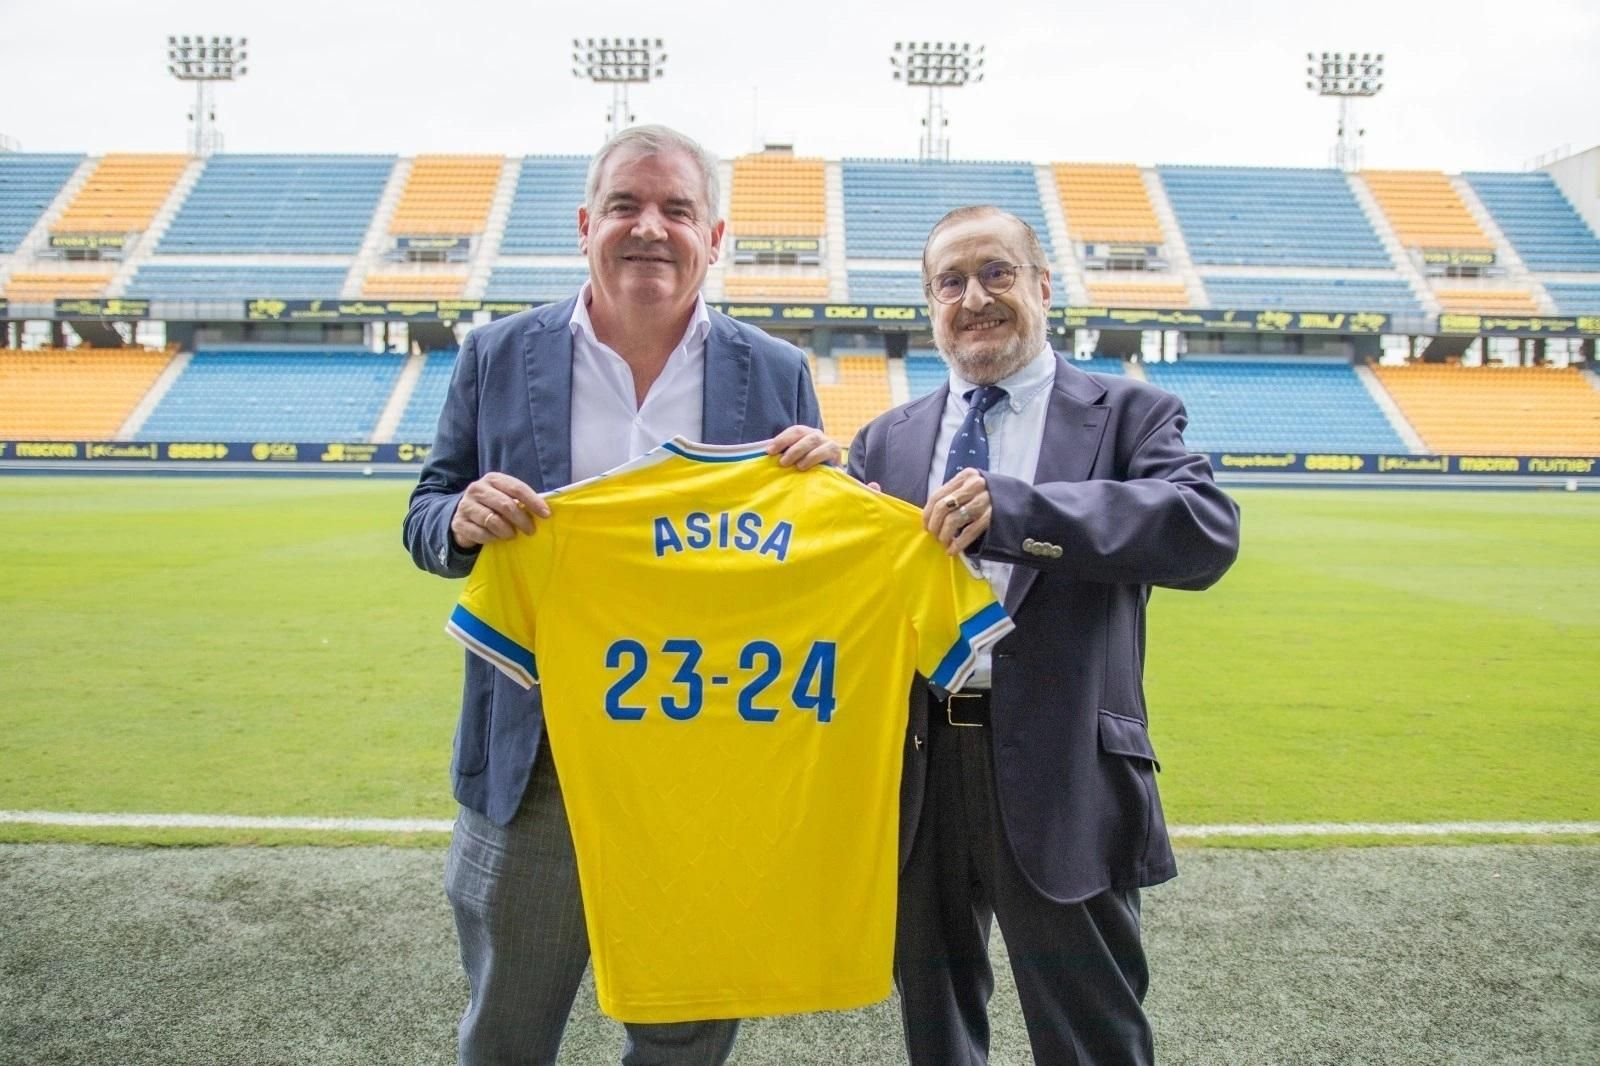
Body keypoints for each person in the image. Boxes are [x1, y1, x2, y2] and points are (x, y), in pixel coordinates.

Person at [403, 124, 837, 1066]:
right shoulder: (495, 354)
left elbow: (806, 565)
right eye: (626, 205)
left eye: (677, 209)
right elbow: (425, 512)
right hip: (537, 761)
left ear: (714, 236)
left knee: (684, 1038)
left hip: (710, 766)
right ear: (584, 223)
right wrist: (460, 519)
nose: (651, 227)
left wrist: (831, 486)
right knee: (507, 1033)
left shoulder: (777, 373)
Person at [848, 205, 1241, 1065]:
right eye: (950, 282)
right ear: (929, 304)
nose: (974, 297)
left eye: (996, 273)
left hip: (1067, 772)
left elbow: (1204, 531)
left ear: (1042, 287)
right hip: (916, 777)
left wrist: (1017, 510)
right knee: (935, 1029)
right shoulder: (885, 439)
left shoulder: (1128, 413)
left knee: (1091, 1033)